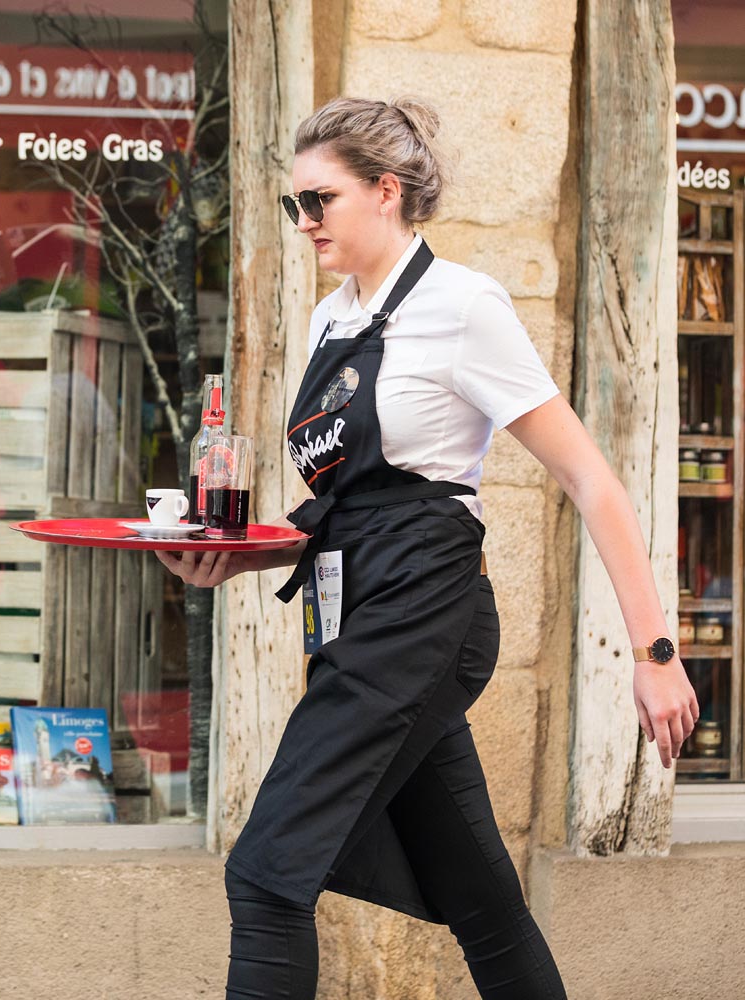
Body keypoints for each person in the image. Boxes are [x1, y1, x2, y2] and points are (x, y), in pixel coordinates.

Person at [155, 97, 699, 1000]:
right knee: (482, 901)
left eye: (320, 200)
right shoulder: (331, 321)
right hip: (355, 609)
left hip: (425, 608)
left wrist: (656, 653)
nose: (305, 221)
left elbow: (592, 480)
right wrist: (236, 554)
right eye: (295, 204)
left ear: (386, 190)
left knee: (267, 874)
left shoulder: (463, 305)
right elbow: (346, 506)